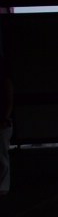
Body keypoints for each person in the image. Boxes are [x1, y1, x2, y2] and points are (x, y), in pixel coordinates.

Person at [0, 53, 12, 197]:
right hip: (3, 121)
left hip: (3, 122)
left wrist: (4, 118)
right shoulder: (6, 82)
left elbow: (9, 102)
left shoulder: (5, 82)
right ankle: (3, 185)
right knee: (2, 154)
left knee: (2, 155)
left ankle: (3, 185)